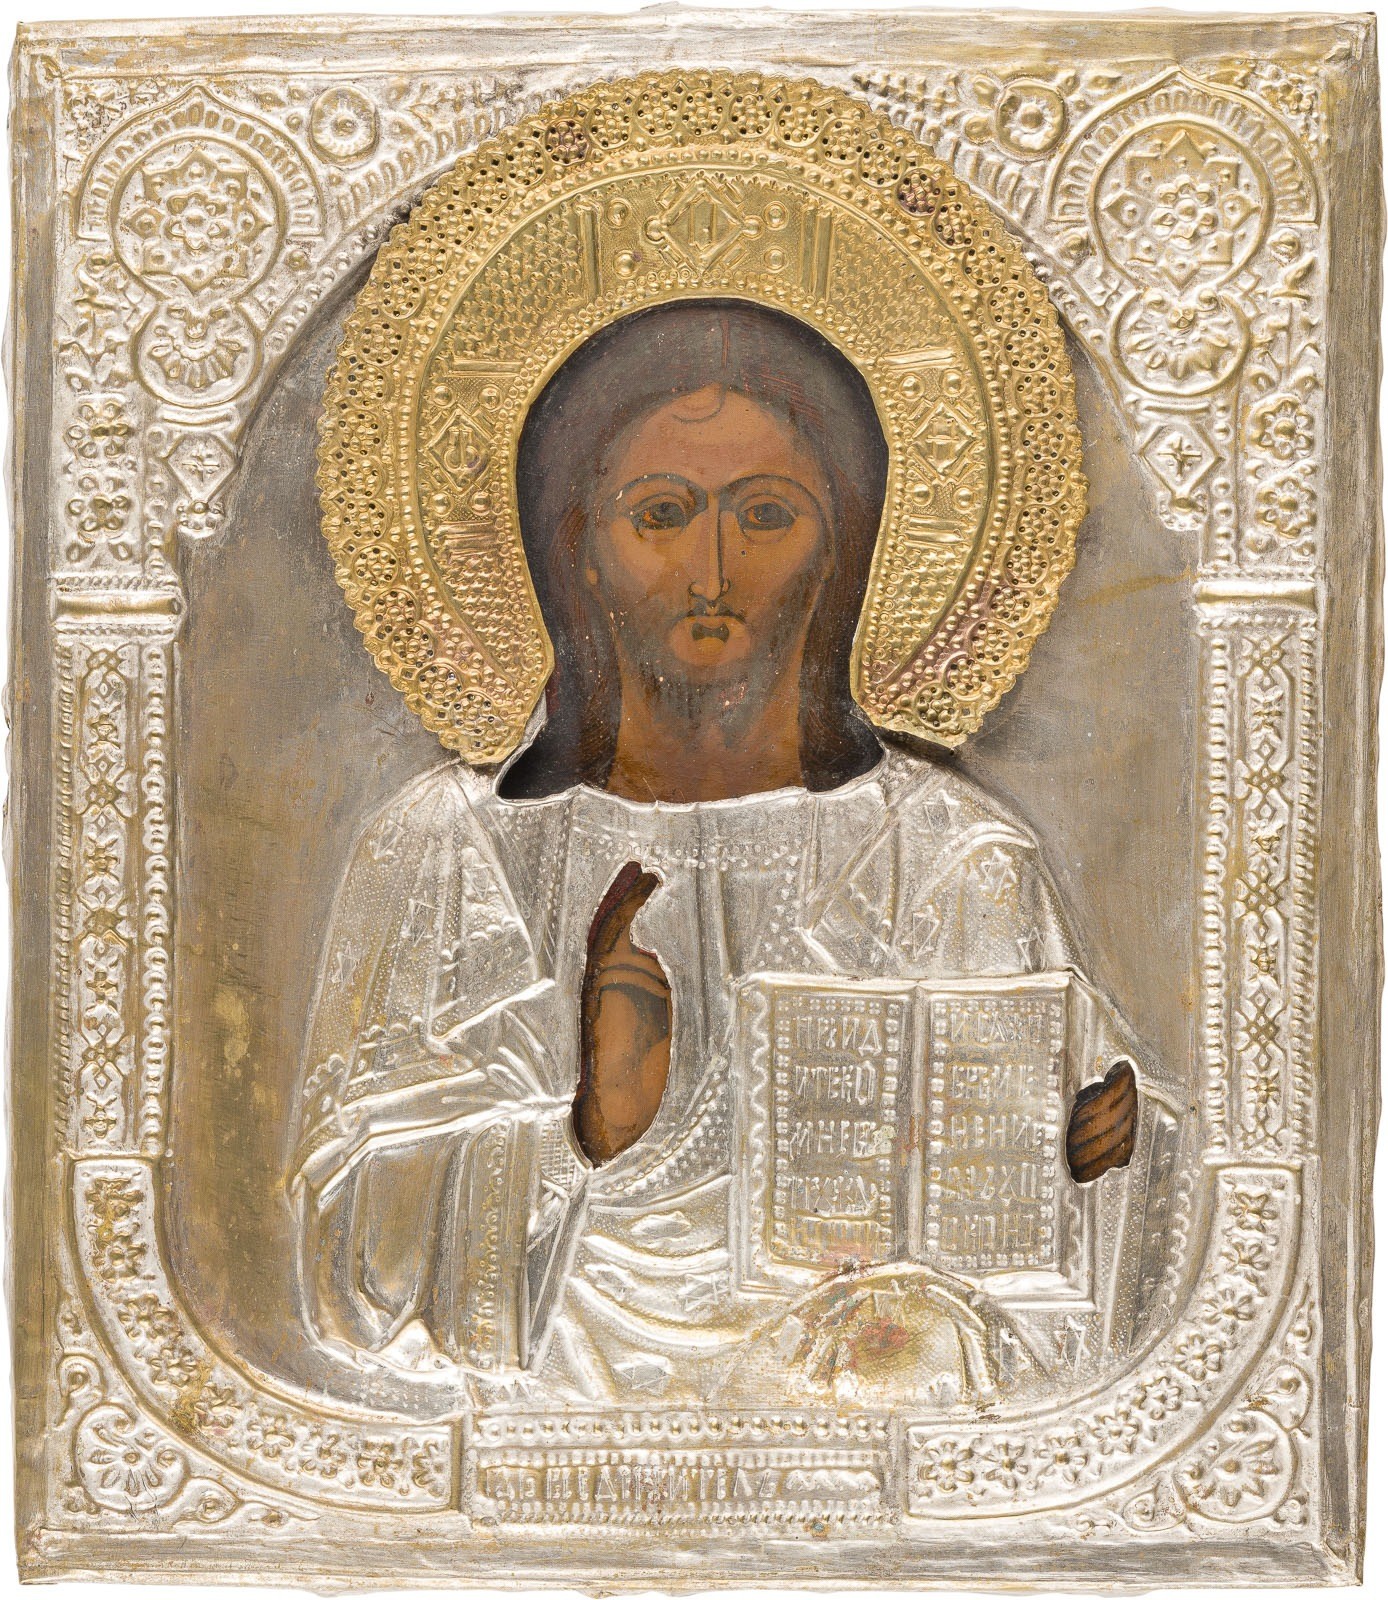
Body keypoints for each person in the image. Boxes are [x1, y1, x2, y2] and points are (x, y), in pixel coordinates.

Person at [289, 300, 1187, 1405]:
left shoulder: (950, 859)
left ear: (843, 547)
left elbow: (1086, 1266)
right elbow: (345, 1268)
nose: (710, 567)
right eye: (660, 513)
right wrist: (585, 1132)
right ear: (575, 547)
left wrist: (1095, 1161)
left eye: (765, 514)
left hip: (870, 1431)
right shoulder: (453, 849)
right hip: (541, 1444)